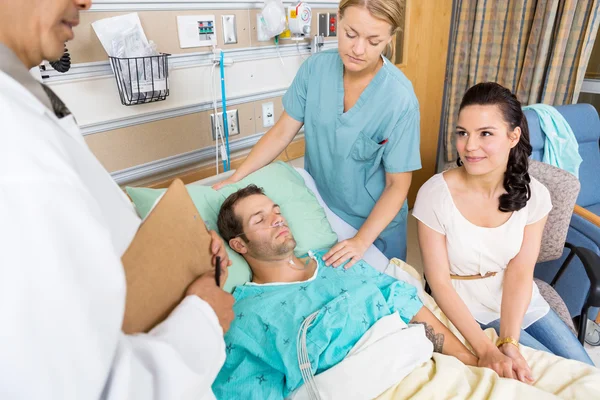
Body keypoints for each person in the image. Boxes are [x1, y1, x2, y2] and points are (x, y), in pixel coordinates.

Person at [0, 1, 235, 398]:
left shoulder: (25, 102)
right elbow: (88, 386)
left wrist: (181, 272)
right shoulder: (14, 144)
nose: (86, 3)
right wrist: (202, 316)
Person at [211, 185, 478, 399]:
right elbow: (246, 390)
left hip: (428, 370)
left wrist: (468, 359)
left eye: (276, 211)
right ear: (239, 244)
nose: (277, 219)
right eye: (260, 220)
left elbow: (402, 302)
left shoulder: (338, 259)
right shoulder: (246, 314)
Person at [412, 82, 594, 384]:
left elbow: (521, 270)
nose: (469, 146)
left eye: (485, 133)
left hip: (517, 297)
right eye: (462, 133)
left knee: (587, 373)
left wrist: (509, 341)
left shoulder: (535, 195)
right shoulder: (434, 194)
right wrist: (487, 349)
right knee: (544, 381)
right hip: (464, 303)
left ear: (513, 136)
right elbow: (439, 282)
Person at [214, 0, 420, 266]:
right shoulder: (315, 70)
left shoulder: (399, 99)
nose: (358, 49)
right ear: (338, 20)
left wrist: (361, 241)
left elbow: (397, 185)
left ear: (390, 38)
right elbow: (281, 133)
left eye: (373, 41)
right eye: (350, 34)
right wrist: (236, 178)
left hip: (374, 226)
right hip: (321, 208)